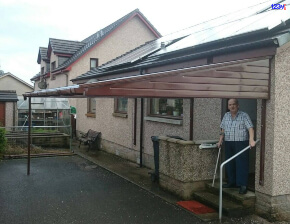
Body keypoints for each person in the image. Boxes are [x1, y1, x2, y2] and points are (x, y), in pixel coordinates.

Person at [217, 99, 256, 194]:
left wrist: (251, 140)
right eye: (230, 105)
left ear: (238, 105)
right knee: (230, 163)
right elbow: (223, 129)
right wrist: (220, 140)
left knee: (241, 163)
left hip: (241, 142)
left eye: (234, 104)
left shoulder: (244, 115)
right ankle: (232, 182)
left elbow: (250, 128)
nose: (232, 106)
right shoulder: (226, 115)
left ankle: (242, 185)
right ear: (228, 106)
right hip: (229, 142)